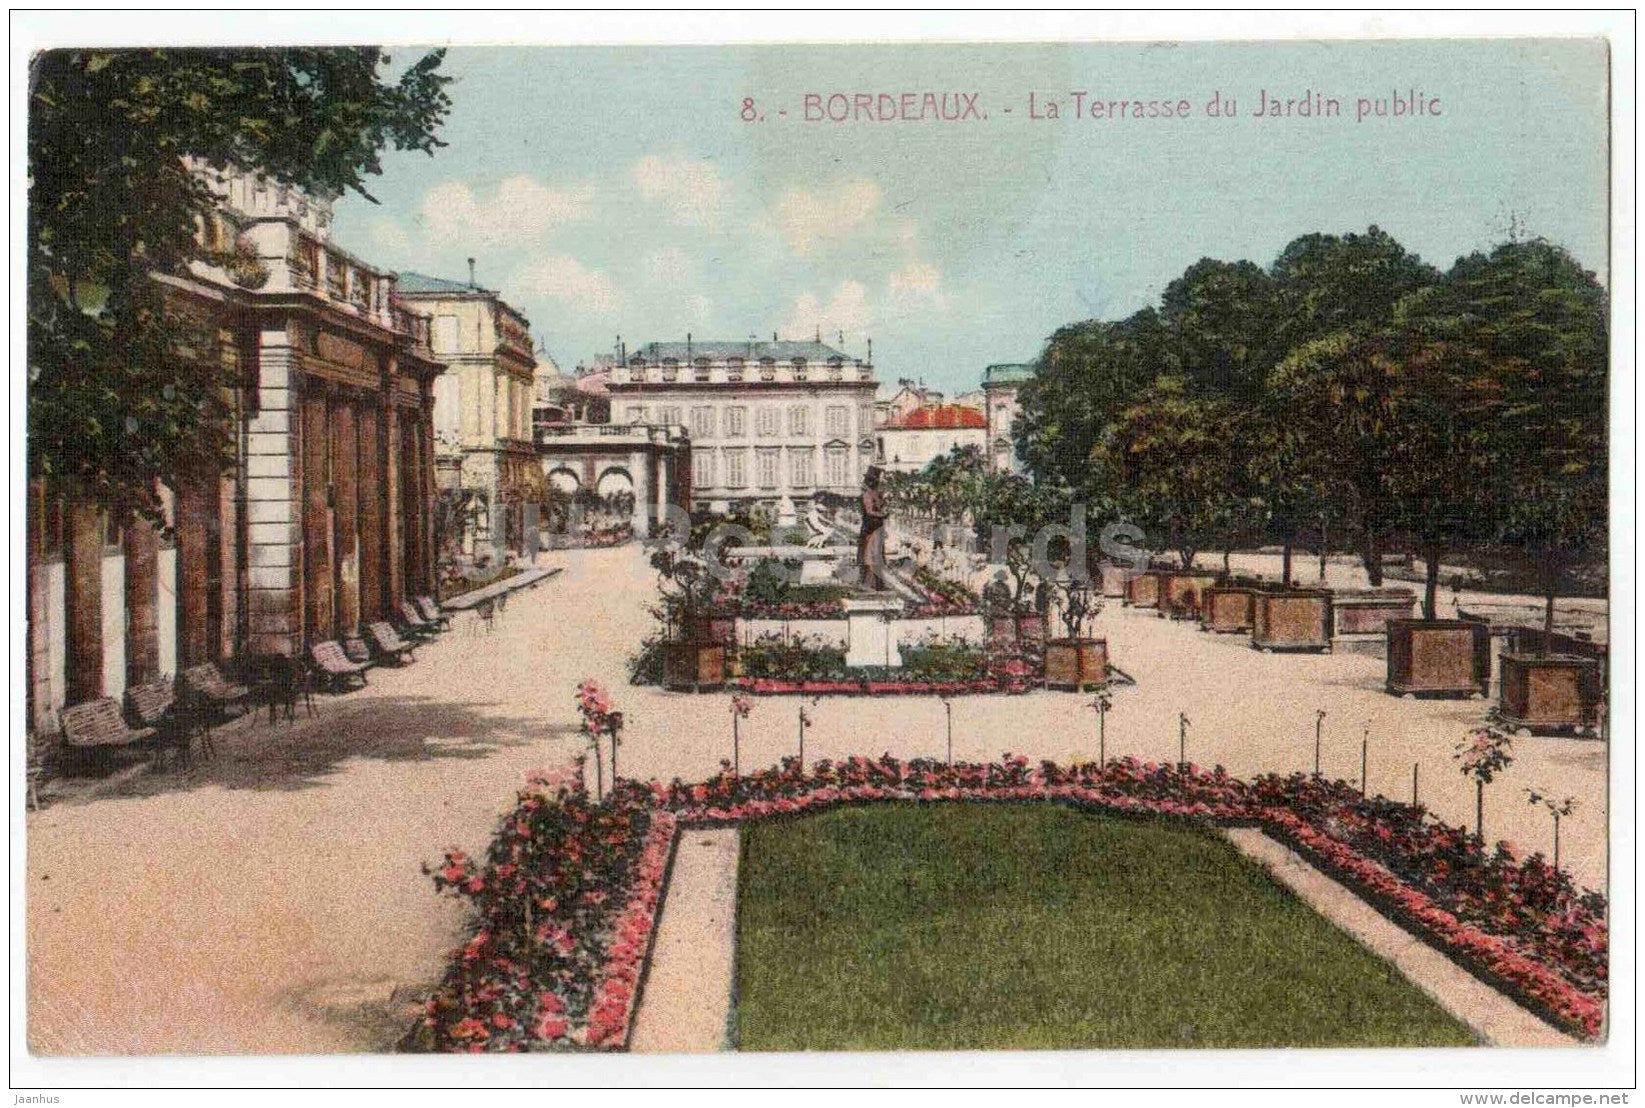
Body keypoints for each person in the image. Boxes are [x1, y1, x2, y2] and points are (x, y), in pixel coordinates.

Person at [858, 465, 889, 591]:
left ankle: (878, 584)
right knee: (870, 555)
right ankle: (870, 583)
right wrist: (882, 515)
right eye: (874, 481)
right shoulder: (867, 494)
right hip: (870, 528)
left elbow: (878, 507)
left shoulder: (875, 494)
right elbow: (869, 511)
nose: (876, 483)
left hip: (877, 527)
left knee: (877, 555)